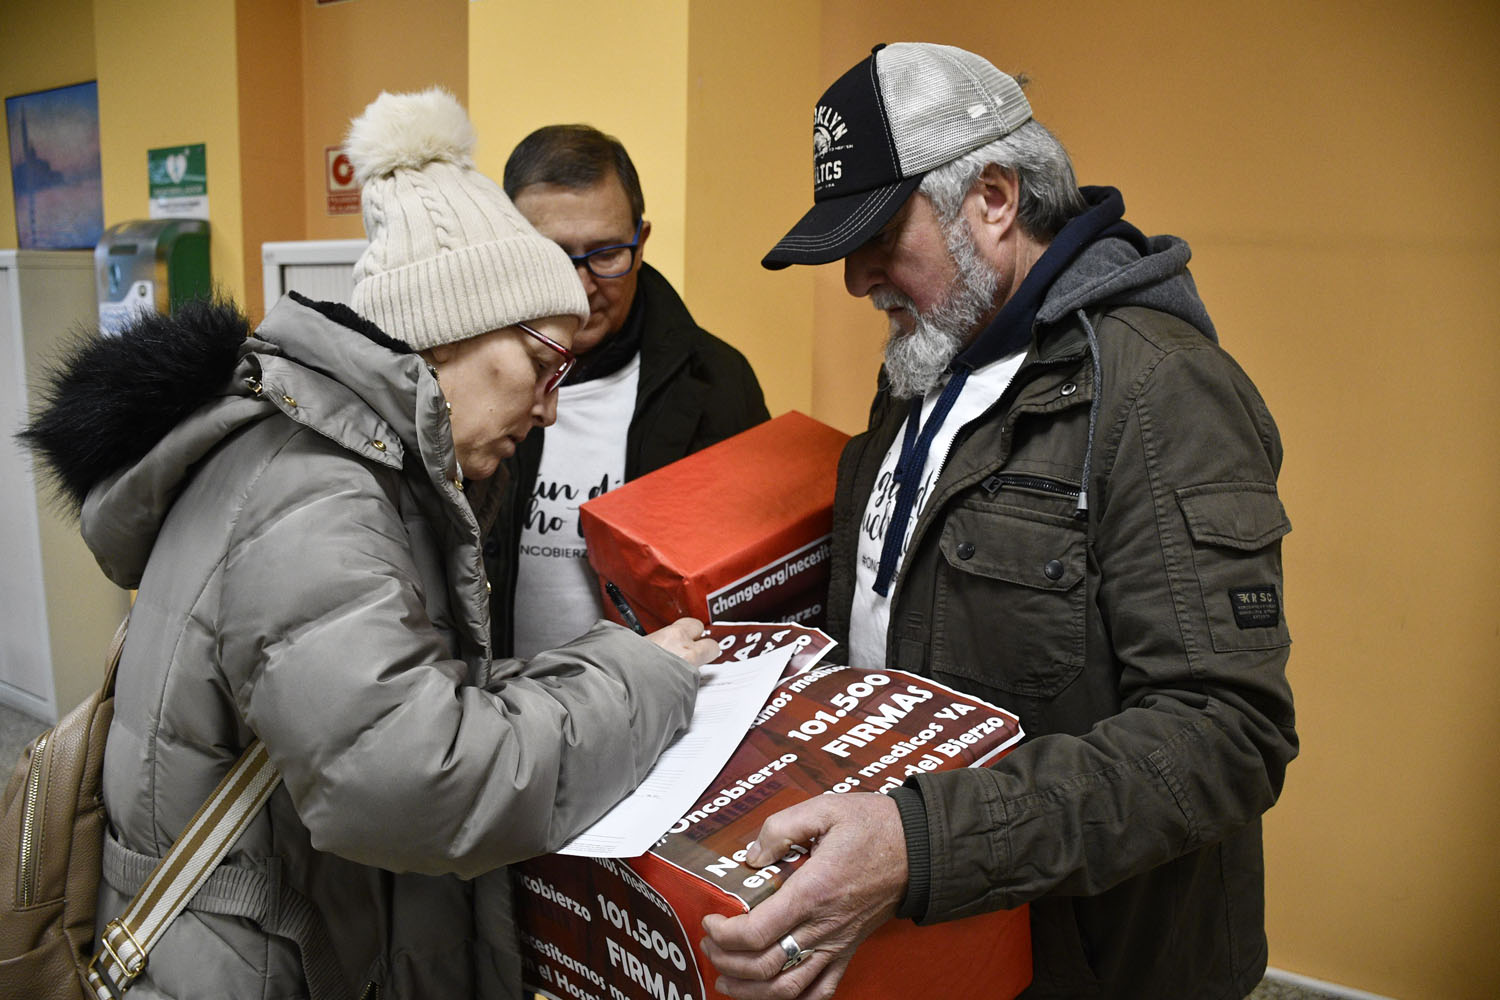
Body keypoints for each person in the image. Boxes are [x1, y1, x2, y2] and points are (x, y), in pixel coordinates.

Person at [20, 87, 716, 1000]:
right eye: (545, 362)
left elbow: (402, 700)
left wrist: (596, 664)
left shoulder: (330, 460)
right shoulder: (318, 493)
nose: (549, 403)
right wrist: (638, 685)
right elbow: (410, 777)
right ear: (452, 330)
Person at [699, 43, 1297, 1000]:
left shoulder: (1156, 392)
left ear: (995, 198)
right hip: (937, 948)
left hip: (1094, 967)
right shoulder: (924, 365)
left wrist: (922, 843)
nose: (857, 280)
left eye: (880, 238)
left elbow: (1226, 735)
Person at [485, 124, 769, 656]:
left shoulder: (717, 382)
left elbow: (750, 590)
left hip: (657, 716)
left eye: (607, 254)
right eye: (553, 255)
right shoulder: (470, 375)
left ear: (641, 243)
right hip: (501, 716)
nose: (581, 284)